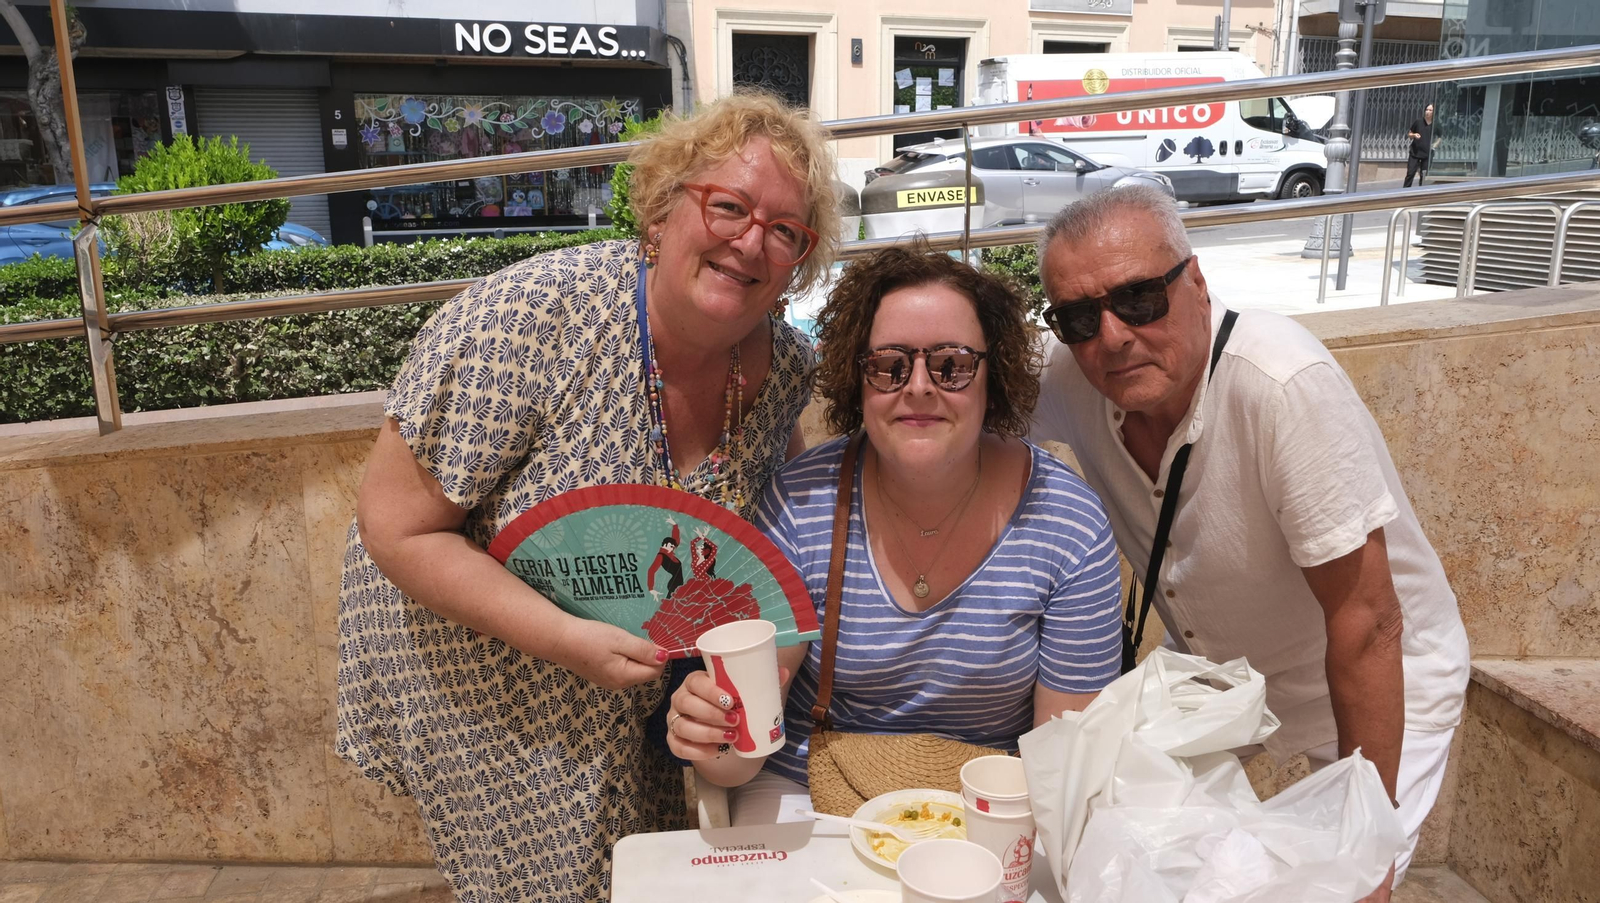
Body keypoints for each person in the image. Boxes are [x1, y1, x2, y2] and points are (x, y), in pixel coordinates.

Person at [337, 91, 841, 902]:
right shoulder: (535, 318)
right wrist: (567, 639)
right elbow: (398, 528)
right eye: (729, 205)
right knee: (533, 880)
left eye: (784, 230)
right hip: (483, 667)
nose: (752, 241)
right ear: (663, 207)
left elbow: (755, 540)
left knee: (633, 870)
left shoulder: (783, 365)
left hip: (642, 680)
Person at [1031, 185, 1471, 901]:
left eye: (1139, 298)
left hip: (1375, 678)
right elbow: (956, 404)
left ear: (1197, 284)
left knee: (1341, 886)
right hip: (1221, 675)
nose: (1111, 336)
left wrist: (1365, 846)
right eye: (1079, 316)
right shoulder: (1073, 375)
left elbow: (1368, 623)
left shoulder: (1281, 384)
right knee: (1125, 853)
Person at [663, 247, 1124, 824]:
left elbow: (1067, 765)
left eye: (952, 364)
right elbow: (740, 760)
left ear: (994, 375)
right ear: (857, 381)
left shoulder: (1066, 524)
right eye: (889, 365)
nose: (921, 387)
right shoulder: (799, 504)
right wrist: (713, 736)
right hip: (809, 795)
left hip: (996, 805)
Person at [1405, 104, 1438, 187]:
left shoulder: (1435, 124)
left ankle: (1421, 191)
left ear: (1434, 112)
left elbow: (1440, 137)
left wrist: (1435, 145)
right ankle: (1405, 191)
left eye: (1430, 110)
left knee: (1424, 176)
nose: (1428, 112)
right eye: (1427, 109)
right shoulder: (1418, 122)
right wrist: (1414, 135)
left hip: (1427, 154)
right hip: (1415, 153)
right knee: (1410, 173)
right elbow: (1409, 133)